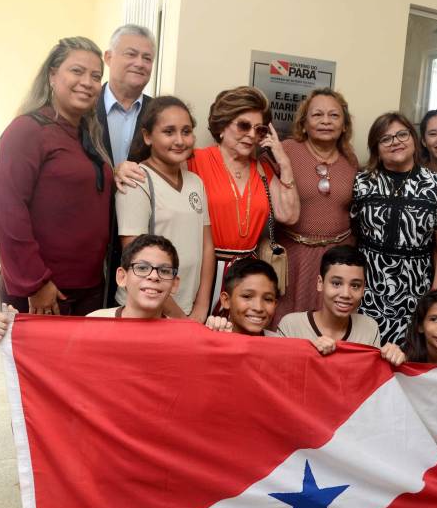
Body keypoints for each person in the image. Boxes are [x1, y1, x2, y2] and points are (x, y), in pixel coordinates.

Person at [0, 37, 112, 316]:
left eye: (96, 76)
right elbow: (8, 211)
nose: (88, 82)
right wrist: (35, 283)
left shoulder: (89, 137)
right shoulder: (27, 131)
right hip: (44, 291)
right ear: (52, 75)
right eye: (77, 71)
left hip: (88, 288)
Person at [351, 112, 437, 345]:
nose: (395, 141)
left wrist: (436, 296)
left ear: (414, 140)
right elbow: (353, 233)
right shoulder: (362, 181)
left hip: (416, 291)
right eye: (385, 139)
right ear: (376, 148)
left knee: (407, 360)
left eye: (402, 134)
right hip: (368, 289)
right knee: (364, 355)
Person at [191, 86, 299, 313]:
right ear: (221, 126)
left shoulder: (263, 169)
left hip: (246, 276)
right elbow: (159, 172)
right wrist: (124, 168)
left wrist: (284, 161)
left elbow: (289, 215)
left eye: (259, 130)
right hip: (202, 270)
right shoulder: (196, 160)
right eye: (243, 125)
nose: (251, 135)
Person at [115, 96, 214, 321]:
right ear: (148, 136)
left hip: (189, 310)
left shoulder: (195, 182)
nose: (179, 140)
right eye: (169, 132)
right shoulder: (136, 181)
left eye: (186, 131)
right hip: (146, 309)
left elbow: (206, 247)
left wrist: (201, 306)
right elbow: (137, 260)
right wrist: (179, 317)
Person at [0, 234, 183, 344]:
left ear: (174, 284)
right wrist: (9, 336)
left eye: (164, 271)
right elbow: (50, 359)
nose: (153, 276)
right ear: (122, 277)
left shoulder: (183, 337)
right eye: (142, 268)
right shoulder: (94, 323)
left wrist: (214, 330)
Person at [272, 89, 358, 326]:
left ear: (344, 125)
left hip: (336, 259)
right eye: (317, 115)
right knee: (287, 323)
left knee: (330, 327)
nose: (326, 121)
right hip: (293, 256)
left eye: (334, 115)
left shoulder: (351, 160)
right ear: (304, 122)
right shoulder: (286, 151)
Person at [98, 24, 157, 307]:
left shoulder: (160, 114)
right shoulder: (83, 107)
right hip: (88, 235)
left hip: (138, 236)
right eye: (131, 54)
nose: (139, 63)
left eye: (147, 58)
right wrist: (112, 171)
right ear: (109, 57)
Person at [276, 245, 406, 365]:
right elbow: (279, 373)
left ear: (363, 289)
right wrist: (309, 352)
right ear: (320, 283)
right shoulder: (291, 326)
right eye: (336, 283)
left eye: (355, 285)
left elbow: (370, 377)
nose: (345, 294)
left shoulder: (369, 328)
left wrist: (393, 358)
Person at [204, 257, 280, 337]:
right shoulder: (213, 336)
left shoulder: (279, 344)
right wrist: (210, 334)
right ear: (226, 300)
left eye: (268, 299)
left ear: (275, 304)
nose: (258, 308)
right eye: (247, 296)